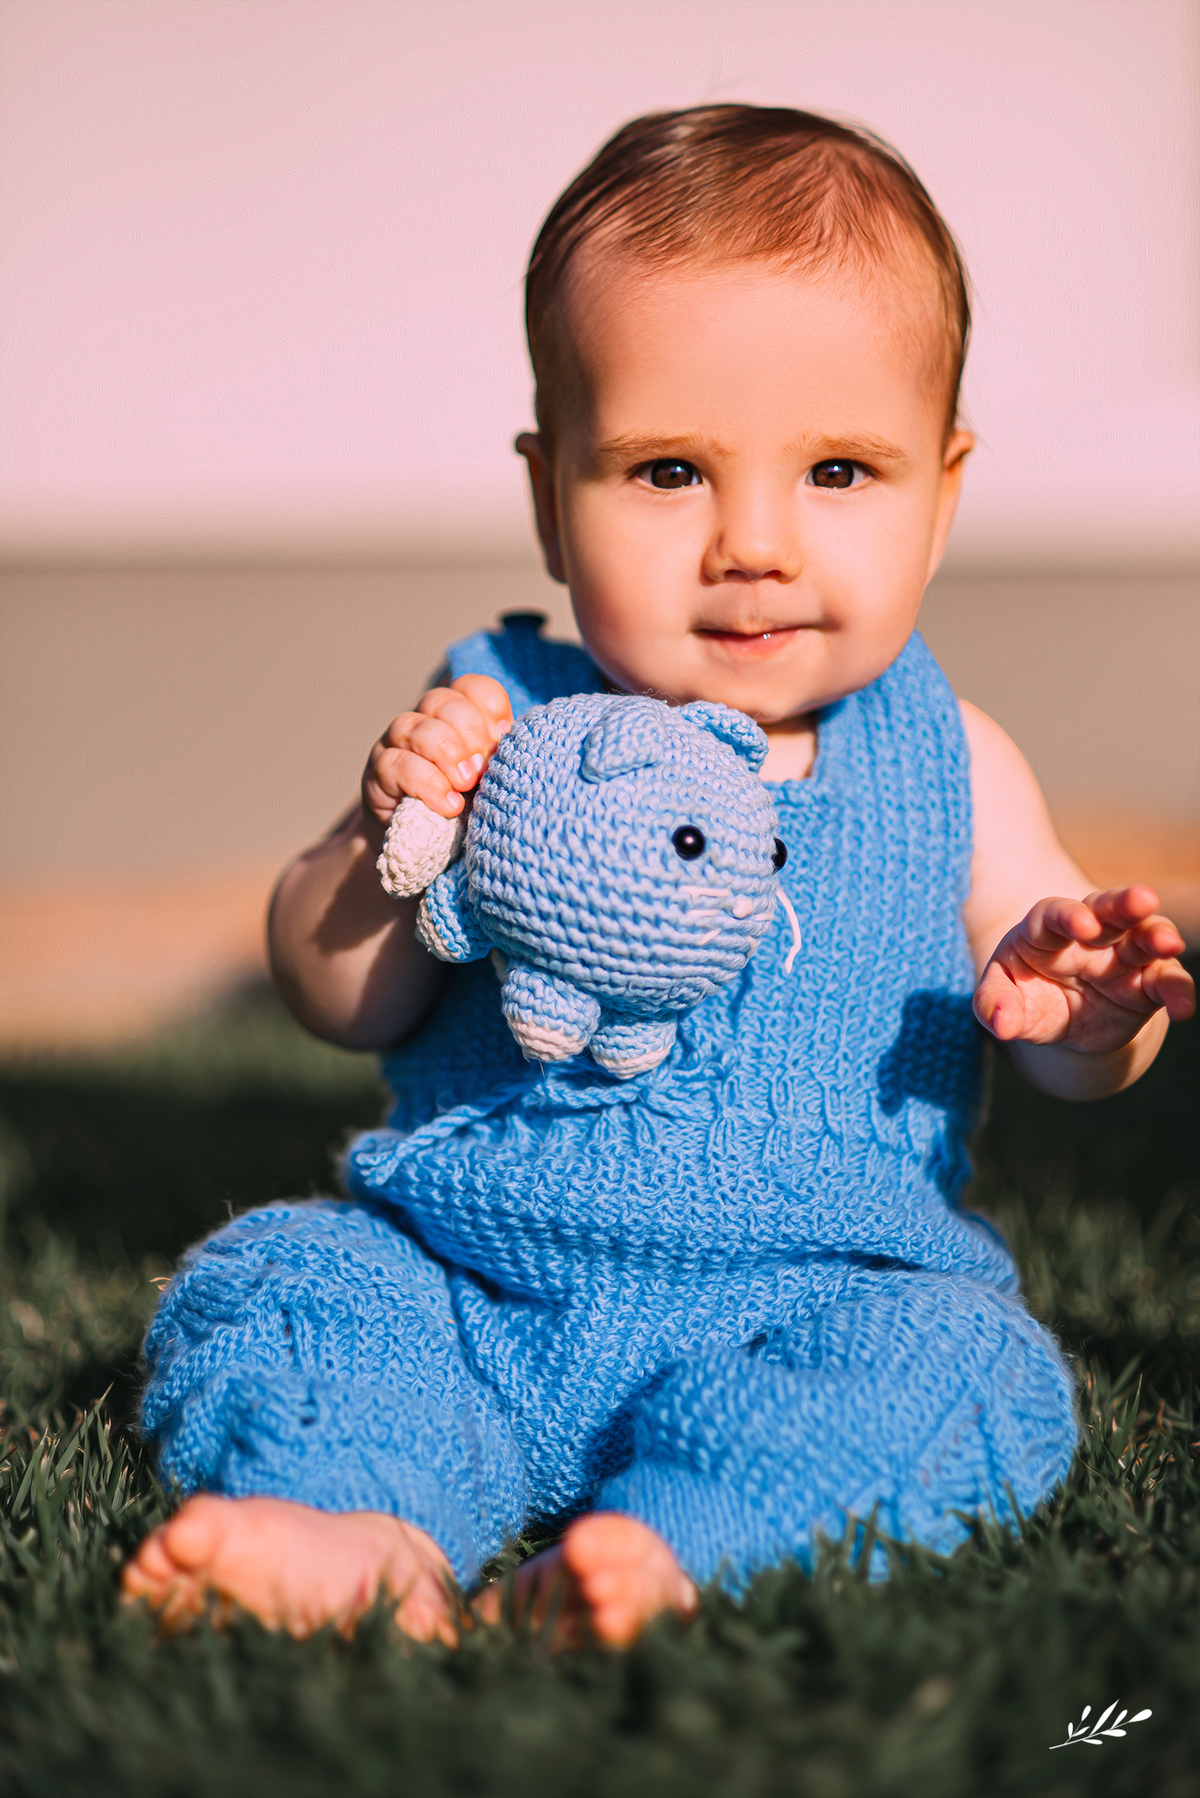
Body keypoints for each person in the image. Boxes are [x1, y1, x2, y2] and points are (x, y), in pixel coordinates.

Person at [123, 105, 1194, 1649]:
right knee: (284, 1281)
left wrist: (1090, 1016)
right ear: (551, 489)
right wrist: (380, 843)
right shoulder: (496, 708)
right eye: (669, 469)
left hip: (808, 1300)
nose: (752, 542)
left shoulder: (950, 758)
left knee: (974, 1363)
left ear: (943, 493)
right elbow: (337, 991)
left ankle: (673, 1543)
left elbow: (1077, 1039)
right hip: (470, 1287)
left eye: (839, 468)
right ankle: (363, 1520)